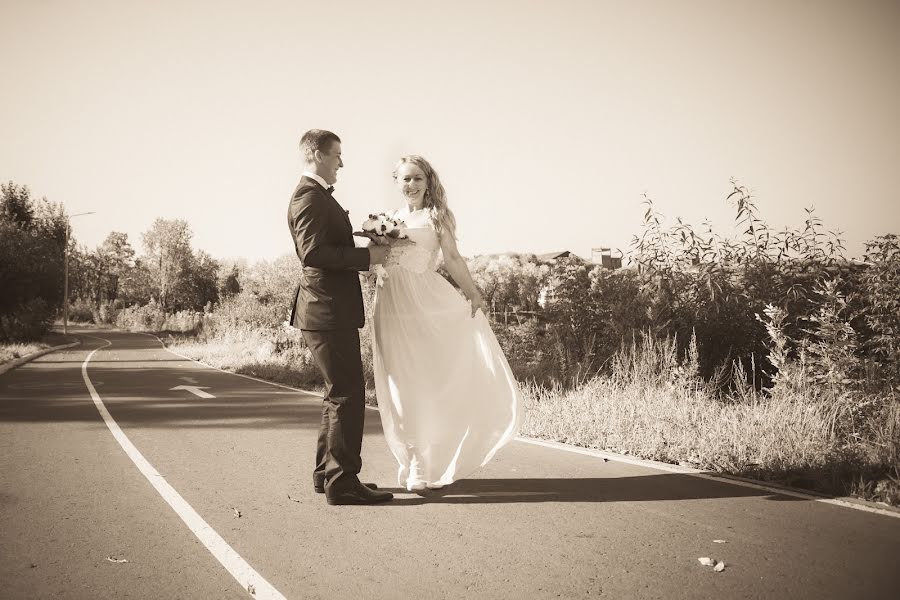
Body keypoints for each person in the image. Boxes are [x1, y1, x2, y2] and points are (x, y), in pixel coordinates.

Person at [371, 155, 523, 492]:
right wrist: (374, 266)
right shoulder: (386, 220)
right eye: (406, 179)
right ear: (396, 181)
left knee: (425, 381)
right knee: (398, 384)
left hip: (426, 302)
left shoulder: (437, 217)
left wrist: (474, 294)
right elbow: (373, 263)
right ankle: (414, 460)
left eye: (418, 179)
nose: (411, 185)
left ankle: (431, 451)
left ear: (428, 182)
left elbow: (452, 259)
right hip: (391, 304)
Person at [287, 129, 394, 506]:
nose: (341, 163)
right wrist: (368, 258)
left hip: (327, 309)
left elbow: (328, 246)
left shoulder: (316, 197)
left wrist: (364, 245)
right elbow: (314, 253)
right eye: (337, 156)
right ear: (317, 154)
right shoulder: (308, 197)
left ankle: (326, 475)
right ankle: (343, 481)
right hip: (326, 311)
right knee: (349, 393)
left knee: (338, 394)